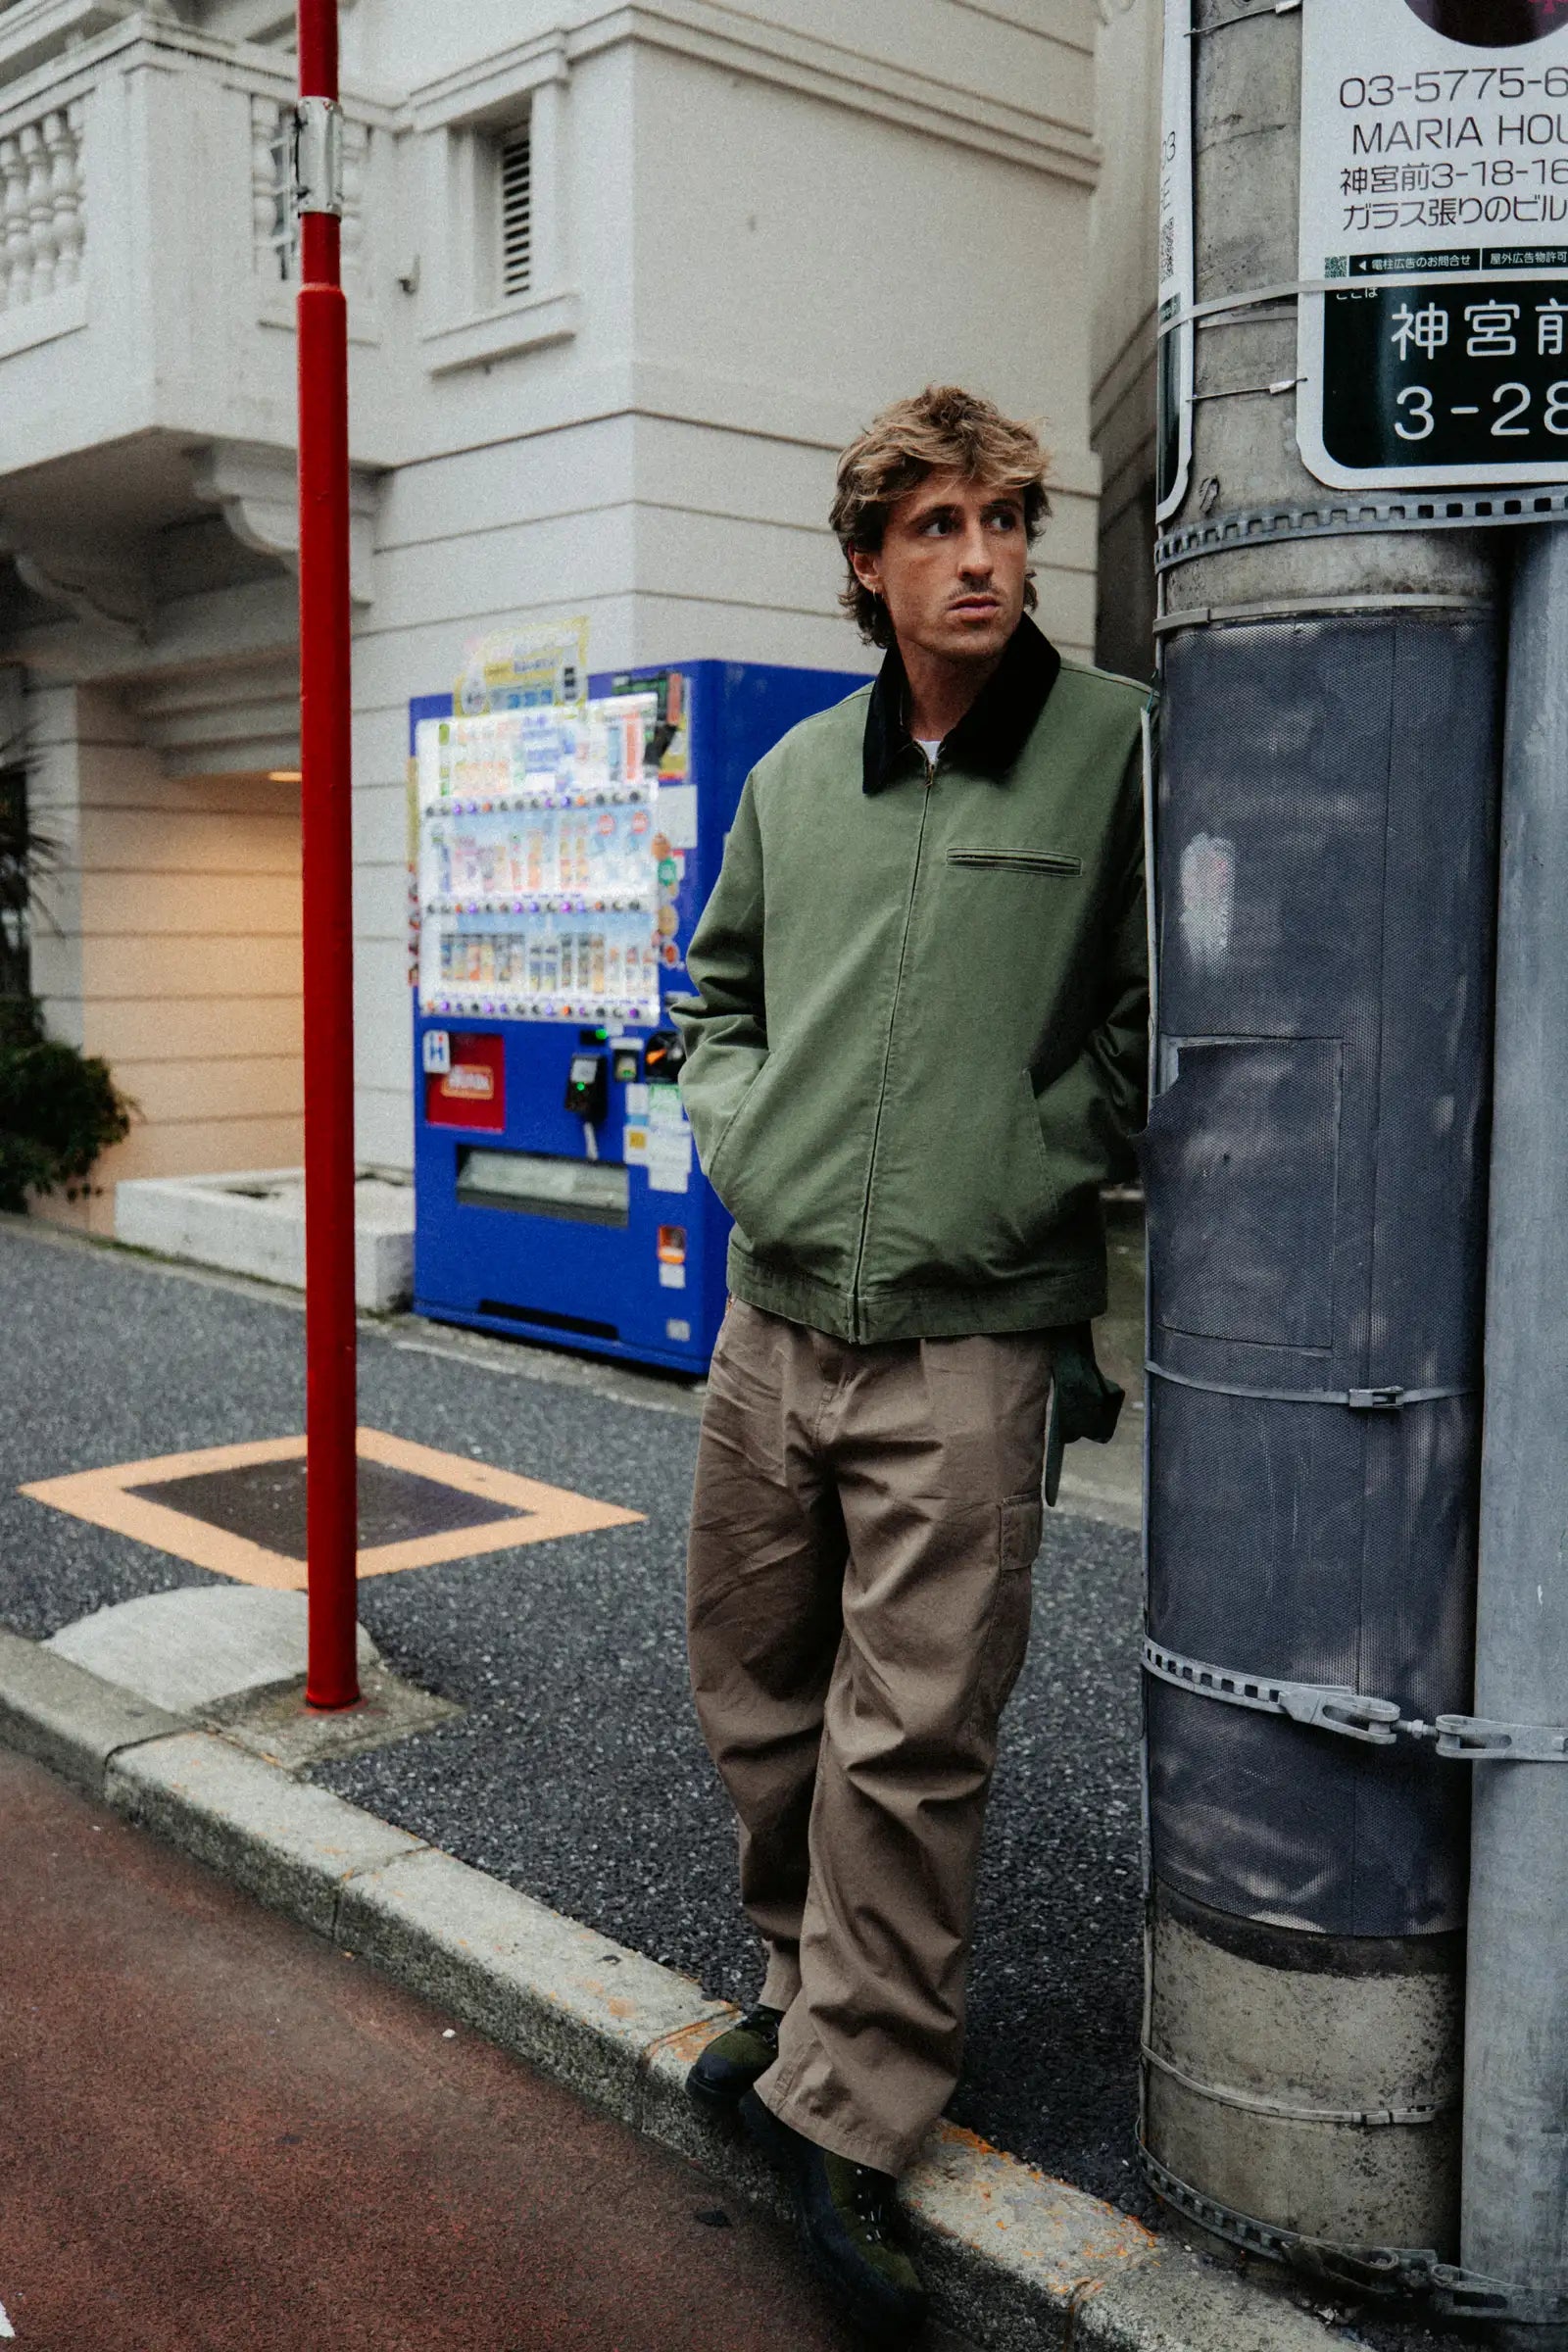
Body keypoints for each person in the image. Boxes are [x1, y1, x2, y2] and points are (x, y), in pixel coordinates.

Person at [672, 385, 1149, 2346]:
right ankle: (801, 2001)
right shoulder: (797, 776)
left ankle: (855, 2115)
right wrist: (751, 1145)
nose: (983, 557)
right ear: (866, 565)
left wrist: (1032, 1160)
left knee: (910, 1733)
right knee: (757, 1691)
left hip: (973, 1332)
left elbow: (1151, 1017)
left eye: (1006, 520)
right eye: (938, 526)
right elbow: (715, 999)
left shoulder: (1114, 750)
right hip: (773, 1320)